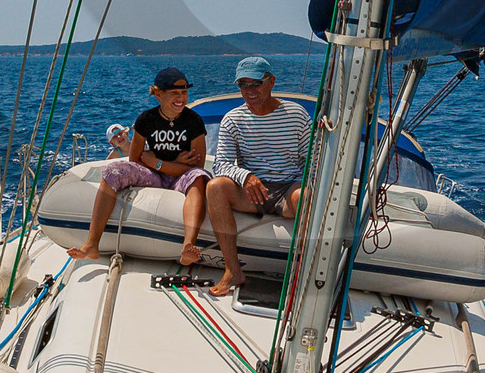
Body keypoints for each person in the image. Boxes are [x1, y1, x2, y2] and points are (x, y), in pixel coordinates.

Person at [201, 58, 311, 298]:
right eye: (243, 84)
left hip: (289, 187)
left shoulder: (297, 115)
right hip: (253, 190)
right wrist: (246, 176)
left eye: (256, 83)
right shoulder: (233, 119)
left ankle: (303, 274)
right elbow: (221, 165)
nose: (249, 90)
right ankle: (233, 270)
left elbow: (312, 160)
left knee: (305, 196)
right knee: (215, 186)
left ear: (271, 82)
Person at [75, 69, 209, 263]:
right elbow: (135, 161)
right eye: (175, 93)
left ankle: (188, 246)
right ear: (158, 95)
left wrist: (158, 162)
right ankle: (92, 244)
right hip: (154, 175)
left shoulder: (194, 122)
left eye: (184, 92)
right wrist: (165, 164)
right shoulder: (146, 120)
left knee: (198, 178)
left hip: (181, 175)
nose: (181, 98)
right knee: (113, 171)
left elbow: (197, 167)